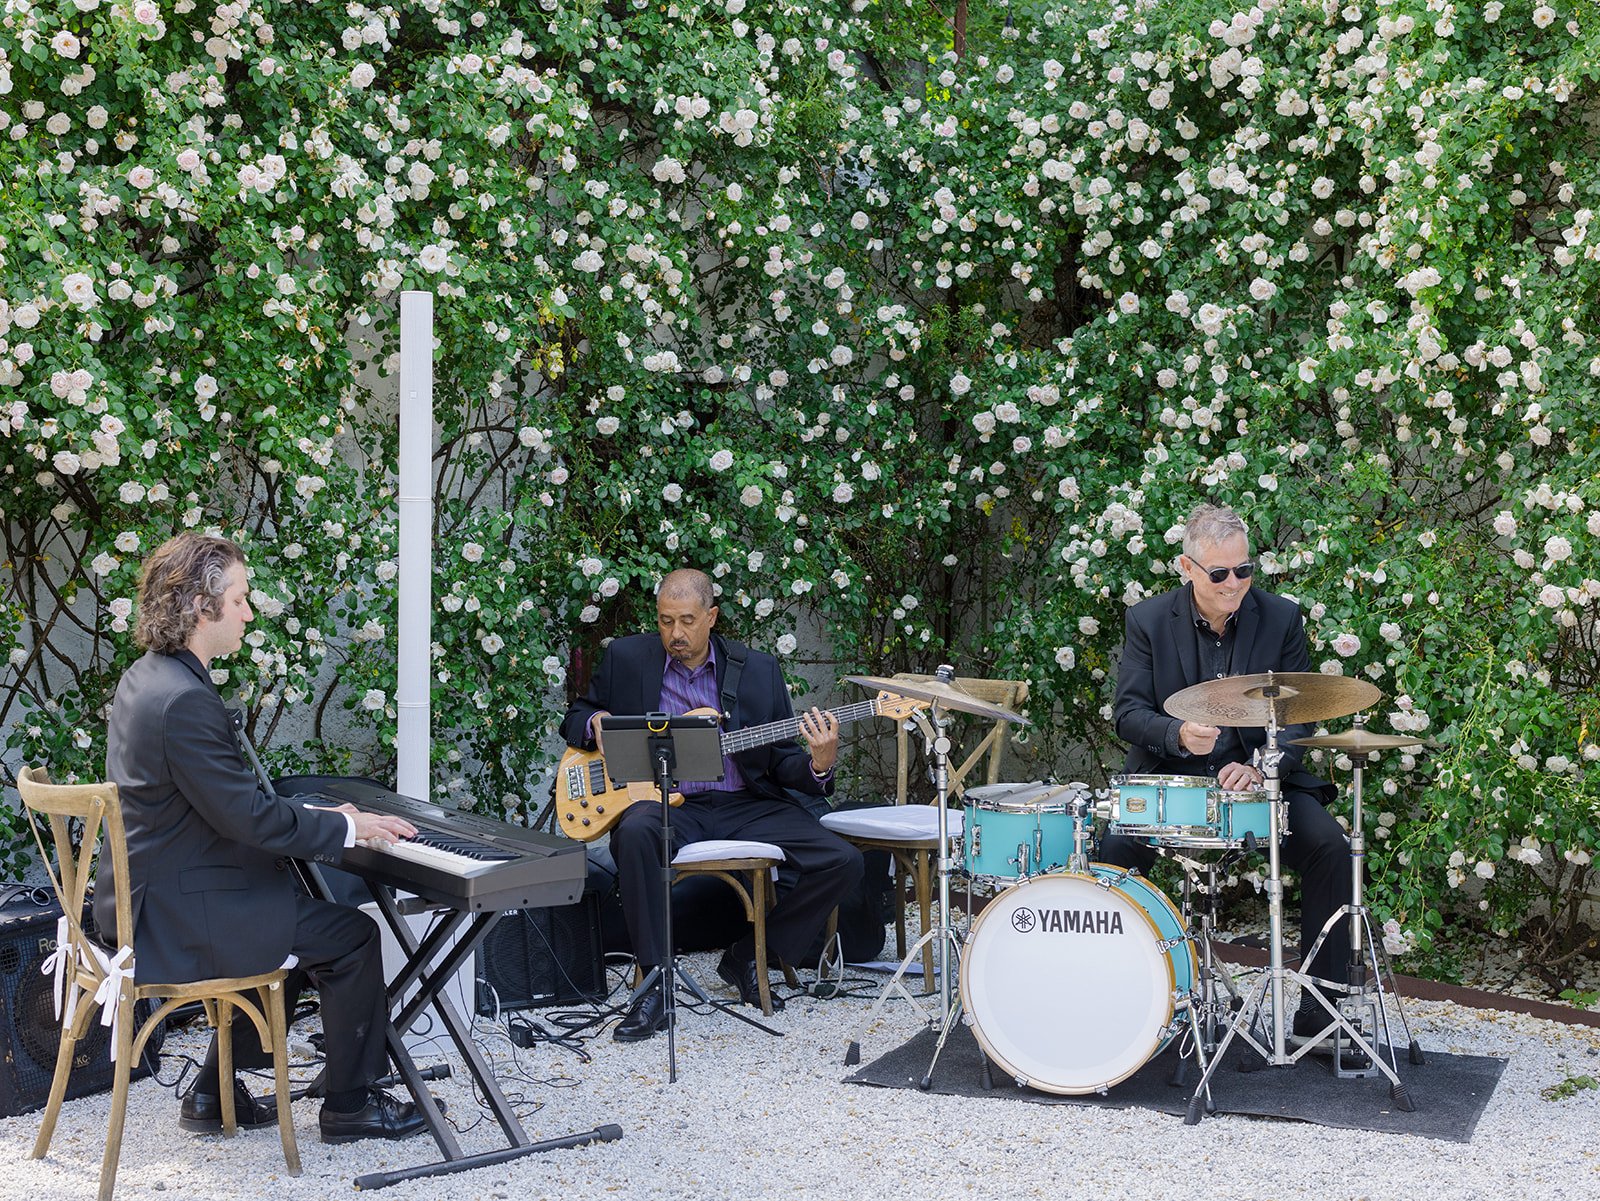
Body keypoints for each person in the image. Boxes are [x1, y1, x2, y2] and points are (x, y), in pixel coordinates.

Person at [93, 532, 429, 1142]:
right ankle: (351, 1106)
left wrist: (313, 812)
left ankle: (211, 1091)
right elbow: (249, 820)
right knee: (349, 936)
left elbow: (221, 805)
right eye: (241, 599)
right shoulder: (182, 701)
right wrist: (349, 825)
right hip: (177, 917)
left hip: (155, 899)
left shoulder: (146, 679)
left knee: (293, 925)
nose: (249, 613)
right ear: (201, 606)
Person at [560, 568, 864, 1042]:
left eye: (686, 621)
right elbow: (576, 715)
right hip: (666, 803)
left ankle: (749, 955)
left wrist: (819, 764)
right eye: (664, 622)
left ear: (712, 617)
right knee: (636, 833)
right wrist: (597, 721)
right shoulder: (626, 656)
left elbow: (783, 761)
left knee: (842, 861)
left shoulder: (757, 669)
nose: (675, 634)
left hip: (745, 801)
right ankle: (654, 985)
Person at [1100, 504, 1353, 1048]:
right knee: (1113, 853)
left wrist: (1263, 765)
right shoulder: (1147, 621)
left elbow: (1297, 715)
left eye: (1244, 570)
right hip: (1171, 780)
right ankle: (1122, 1003)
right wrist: (1176, 735)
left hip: (1256, 785)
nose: (1234, 583)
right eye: (1219, 573)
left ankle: (1322, 1013)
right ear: (1186, 568)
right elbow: (1128, 713)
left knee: (1330, 846)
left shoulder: (1282, 618)